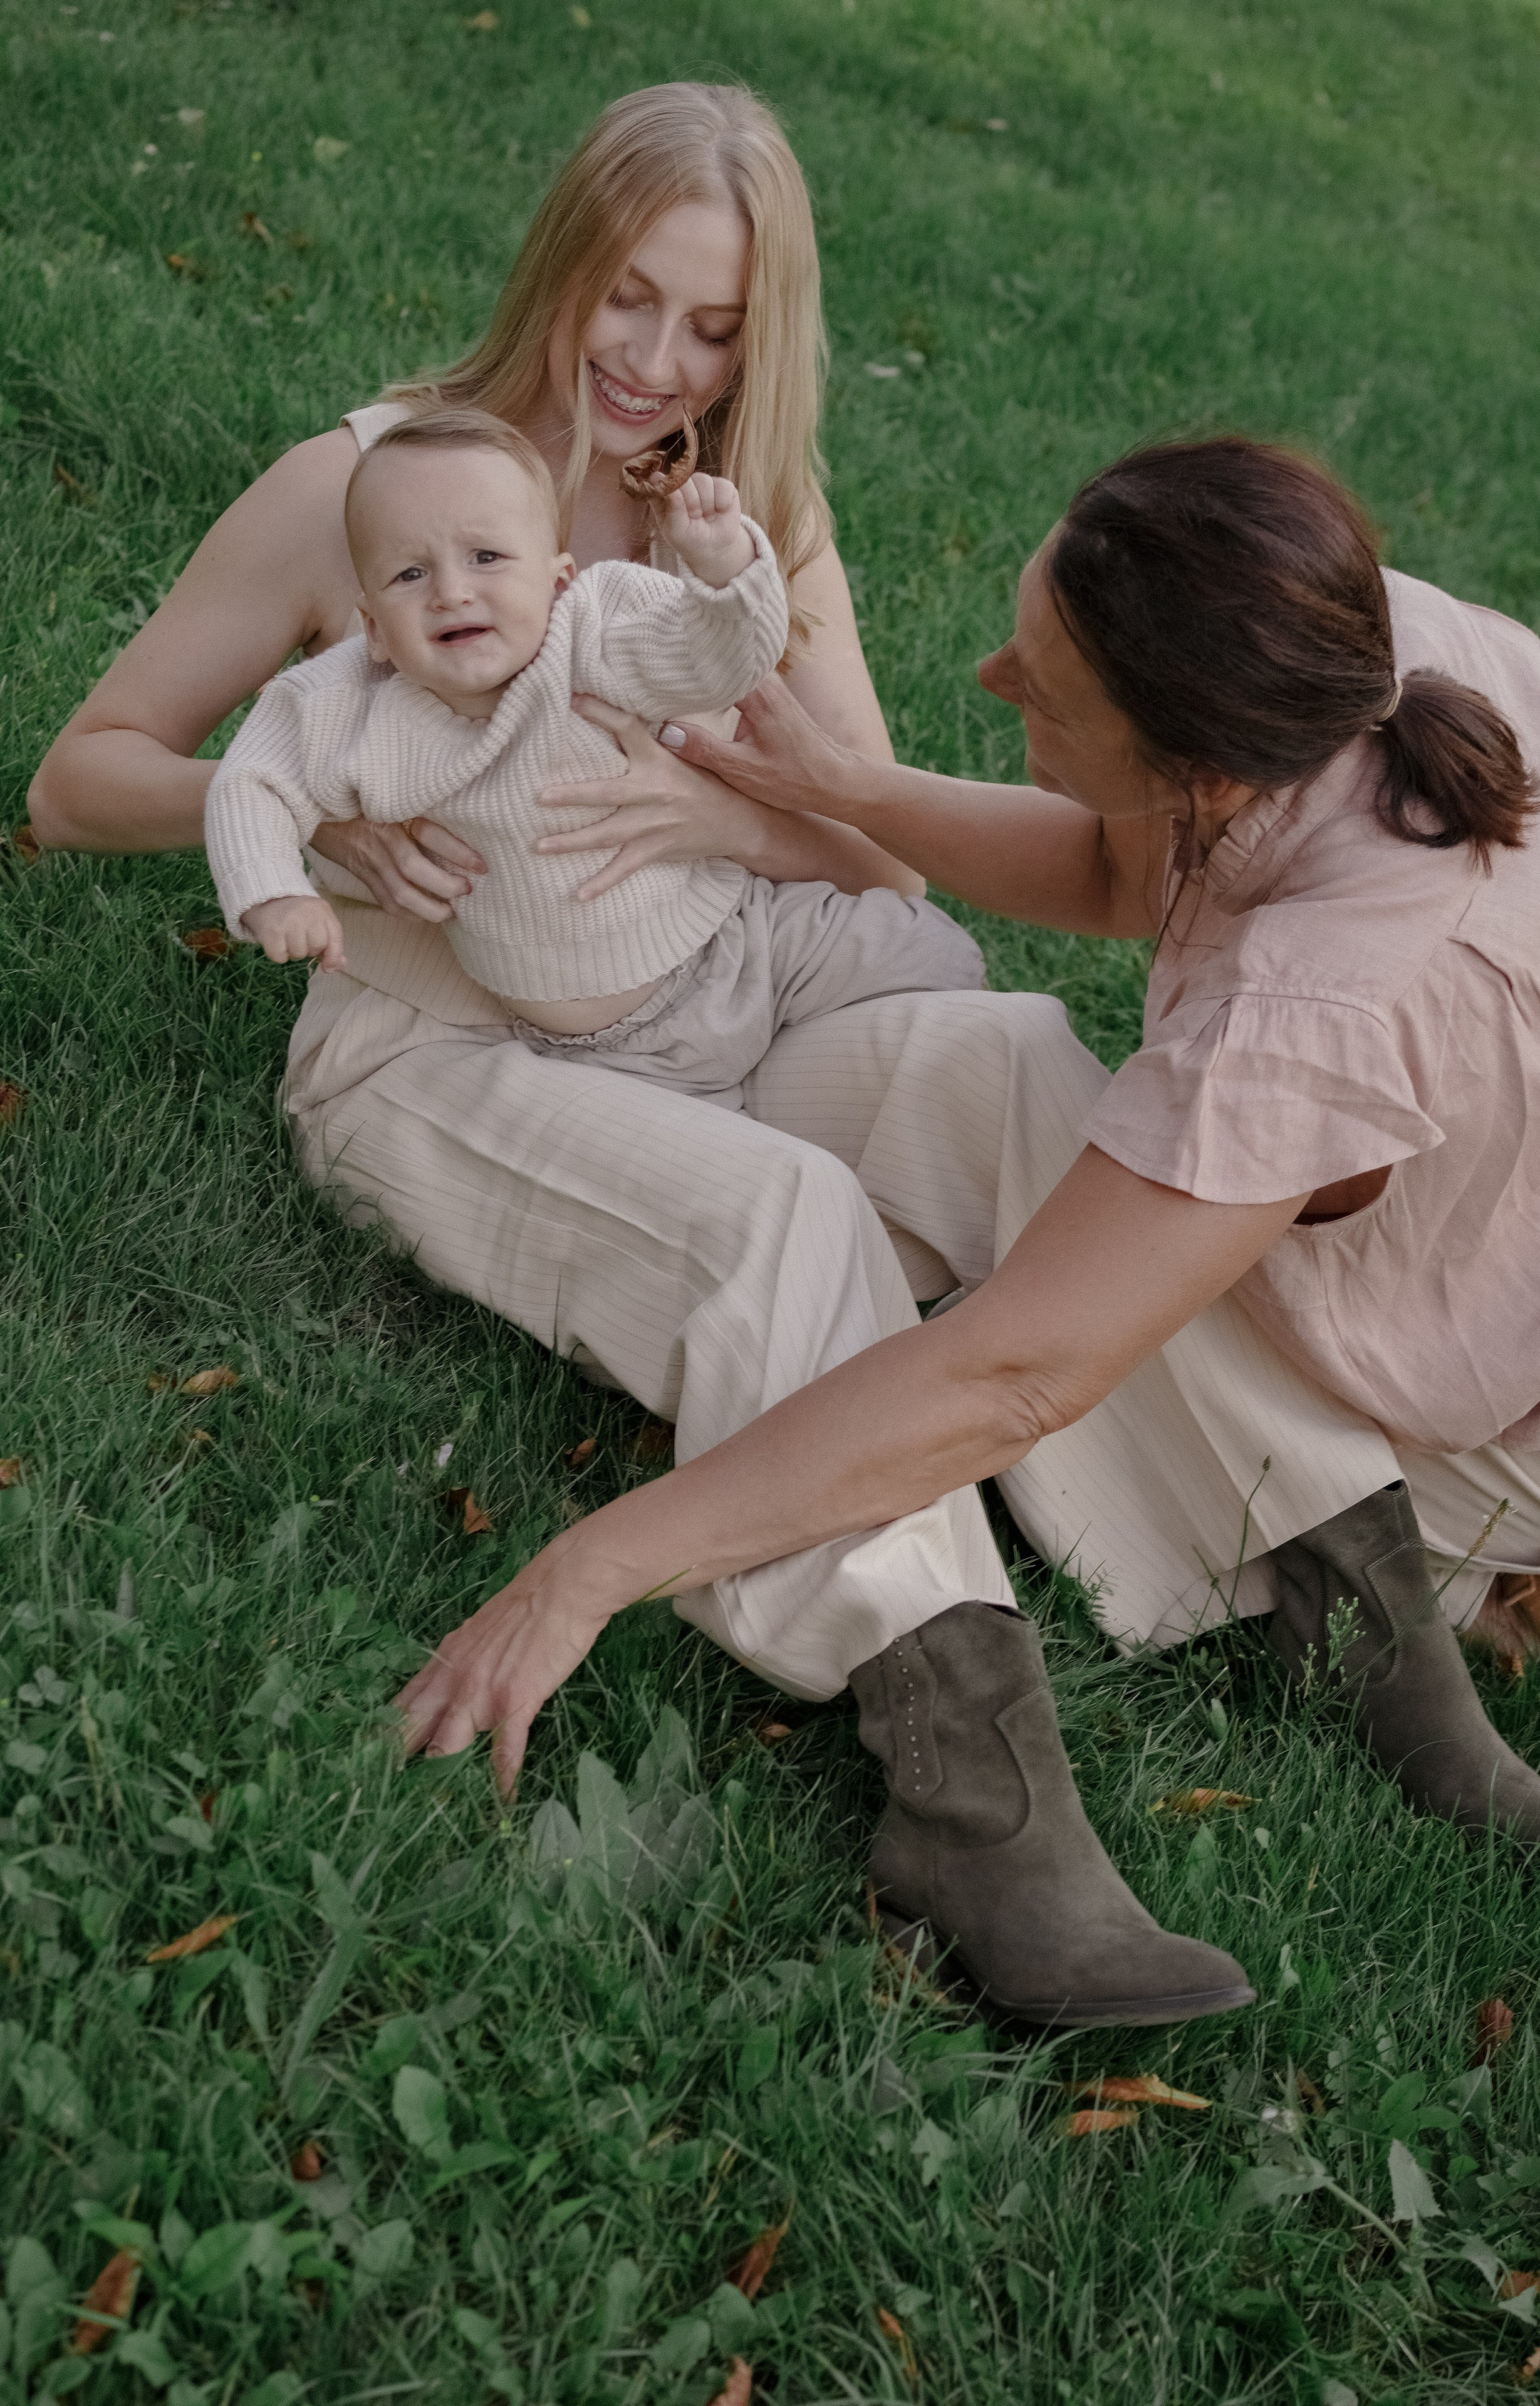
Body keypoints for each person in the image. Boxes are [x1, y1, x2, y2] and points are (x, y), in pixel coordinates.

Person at [34, 82, 1415, 2034]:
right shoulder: (374, 487)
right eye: (630, 299)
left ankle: (1341, 1594)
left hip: (726, 990)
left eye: (713, 328)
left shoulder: (741, 519)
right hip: (445, 1045)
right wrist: (300, 828)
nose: (655, 362)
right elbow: (76, 777)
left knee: (1016, 1049)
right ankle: (969, 1781)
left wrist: (716, 821)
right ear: (560, 264)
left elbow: (867, 827)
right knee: (777, 1220)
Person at [392, 436, 1540, 2006]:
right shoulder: (1348, 638)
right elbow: (1126, 878)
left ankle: (1360, 1594)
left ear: (1199, 767)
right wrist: (842, 790)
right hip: (1491, 1229)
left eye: (1036, 690)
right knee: (1009, 1062)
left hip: (1526, 1387)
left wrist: (583, 1570)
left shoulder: (1311, 1001)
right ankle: (1355, 1612)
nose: (981, 675)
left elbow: (1012, 1375)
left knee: (1033, 1278)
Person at [204, 407, 980, 1106]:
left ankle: (959, 1063)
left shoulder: (592, 630)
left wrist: (723, 572)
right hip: (602, 1048)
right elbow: (252, 782)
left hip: (746, 939)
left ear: (558, 580)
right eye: (411, 574)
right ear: (371, 626)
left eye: (485, 558)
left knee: (927, 954)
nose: (451, 592)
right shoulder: (347, 702)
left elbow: (715, 663)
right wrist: (274, 892)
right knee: (735, 1154)